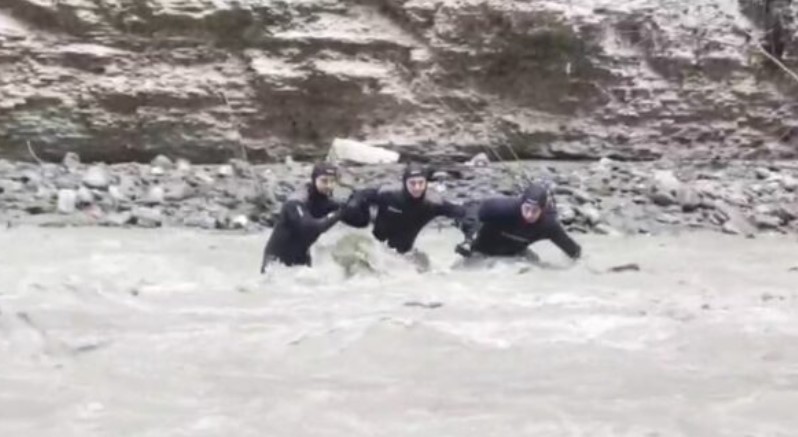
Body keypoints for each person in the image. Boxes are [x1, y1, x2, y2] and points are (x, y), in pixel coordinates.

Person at [345, 163, 466, 255]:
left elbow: (462, 212)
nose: (417, 188)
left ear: (426, 183)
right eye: (412, 183)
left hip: (404, 257)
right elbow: (362, 194)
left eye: (421, 183)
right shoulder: (388, 194)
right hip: (374, 249)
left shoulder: (433, 203)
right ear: (405, 183)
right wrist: (353, 205)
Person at [260, 162, 357, 271]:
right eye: (324, 181)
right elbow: (311, 228)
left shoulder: (324, 201)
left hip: (301, 260)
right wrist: (340, 213)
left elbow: (358, 220)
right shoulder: (296, 201)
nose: (329, 186)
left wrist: (358, 202)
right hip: (276, 263)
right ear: (314, 180)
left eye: (332, 181)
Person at [455, 182, 581, 262]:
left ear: (542, 210)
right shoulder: (502, 207)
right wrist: (469, 238)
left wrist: (580, 262)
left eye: (535, 211)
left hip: (515, 253)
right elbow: (470, 211)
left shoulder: (548, 224)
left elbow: (571, 248)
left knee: (535, 264)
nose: (529, 215)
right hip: (482, 249)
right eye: (527, 209)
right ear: (521, 204)